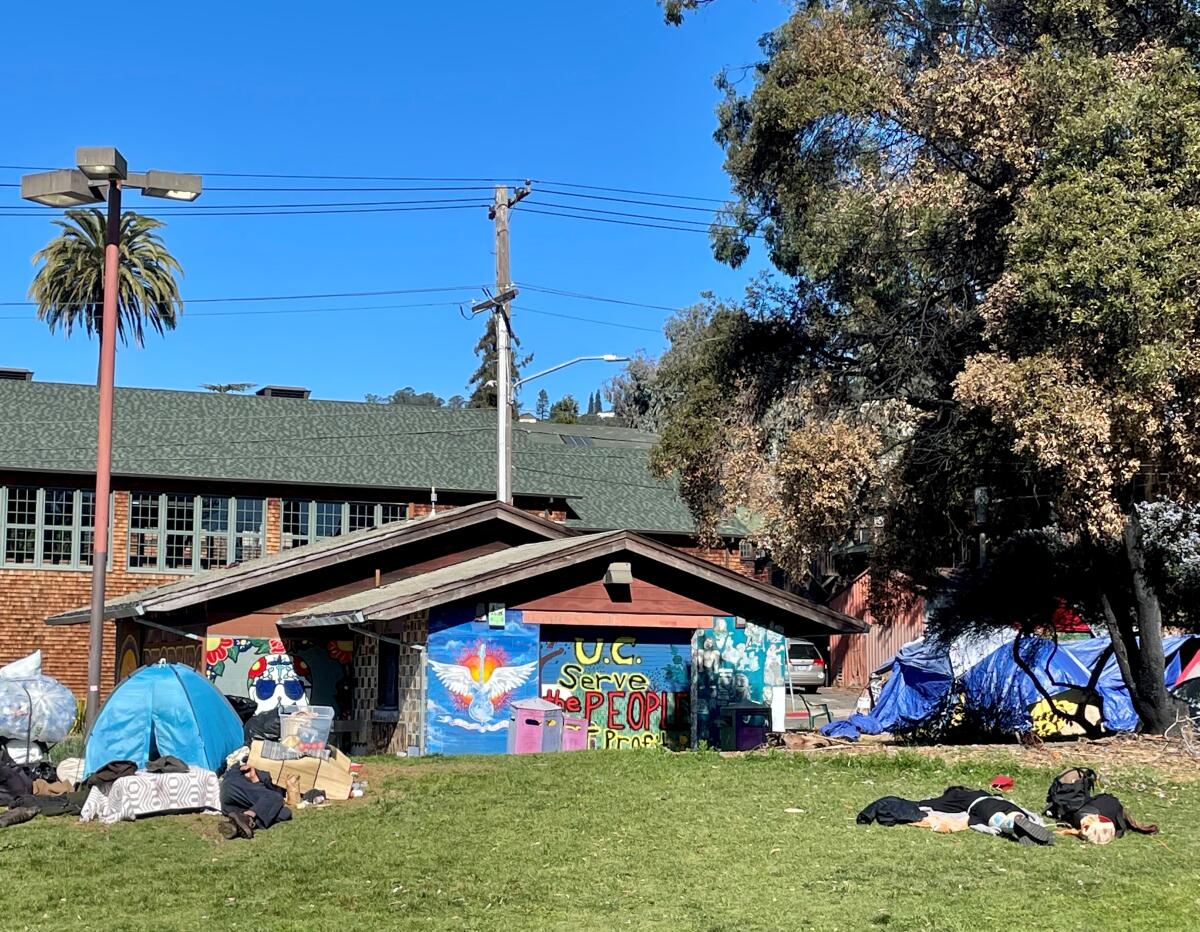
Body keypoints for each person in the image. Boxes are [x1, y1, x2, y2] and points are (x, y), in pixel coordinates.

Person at [218, 764, 293, 839]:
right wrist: (255, 779)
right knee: (276, 797)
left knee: (285, 813)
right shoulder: (247, 768)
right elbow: (272, 796)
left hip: (230, 808)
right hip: (234, 788)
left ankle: (235, 827)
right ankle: (248, 818)